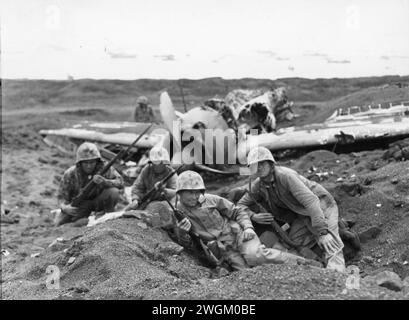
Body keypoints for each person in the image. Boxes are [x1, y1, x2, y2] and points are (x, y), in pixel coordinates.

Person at [173, 170, 320, 271]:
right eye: (189, 193)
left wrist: (248, 227)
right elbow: (190, 246)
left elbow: (238, 211)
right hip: (223, 249)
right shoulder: (178, 212)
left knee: (255, 255)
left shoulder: (211, 200)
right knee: (245, 273)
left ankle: (306, 264)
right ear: (180, 193)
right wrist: (181, 232)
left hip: (239, 234)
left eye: (197, 192)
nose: (194, 197)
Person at [237, 146, 346, 272]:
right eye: (255, 165)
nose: (259, 167)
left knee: (329, 241)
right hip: (301, 213)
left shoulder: (286, 176)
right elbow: (240, 205)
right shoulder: (259, 184)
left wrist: (322, 232)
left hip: (321, 205)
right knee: (294, 241)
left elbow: (311, 202)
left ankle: (337, 273)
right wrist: (253, 216)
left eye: (262, 163)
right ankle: (316, 266)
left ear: (271, 163)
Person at [56, 142, 124, 226]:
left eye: (92, 162)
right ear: (80, 163)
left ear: (97, 161)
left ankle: (108, 216)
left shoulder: (105, 168)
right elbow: (61, 196)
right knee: (65, 223)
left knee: (113, 192)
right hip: (80, 204)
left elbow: (120, 182)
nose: (89, 166)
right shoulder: (70, 174)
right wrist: (64, 207)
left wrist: (105, 181)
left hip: (99, 201)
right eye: (85, 163)